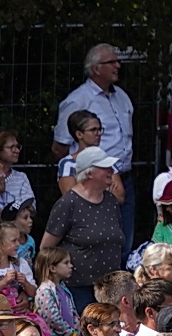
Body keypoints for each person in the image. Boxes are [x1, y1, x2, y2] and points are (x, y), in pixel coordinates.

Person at [55, 44, 135, 251]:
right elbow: (60, 146)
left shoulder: (122, 97)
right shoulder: (77, 100)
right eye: (112, 62)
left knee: (123, 242)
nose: (118, 65)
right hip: (91, 179)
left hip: (122, 176)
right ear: (96, 68)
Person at [41, 148, 124, 313]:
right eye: (105, 168)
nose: (111, 171)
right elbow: (46, 249)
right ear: (89, 173)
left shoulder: (110, 201)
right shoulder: (68, 203)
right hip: (79, 289)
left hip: (110, 288)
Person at [54, 110, 126, 208]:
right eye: (93, 130)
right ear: (79, 134)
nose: (98, 133)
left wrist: (85, 190)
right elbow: (71, 199)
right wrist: (106, 191)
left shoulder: (108, 161)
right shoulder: (68, 163)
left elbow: (120, 197)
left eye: (100, 129)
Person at [34, 247, 84, 336]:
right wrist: (71, 335)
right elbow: (52, 317)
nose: (71, 266)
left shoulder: (63, 288)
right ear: (53, 268)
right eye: (66, 263)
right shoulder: (45, 290)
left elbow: (73, 313)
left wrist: (75, 334)